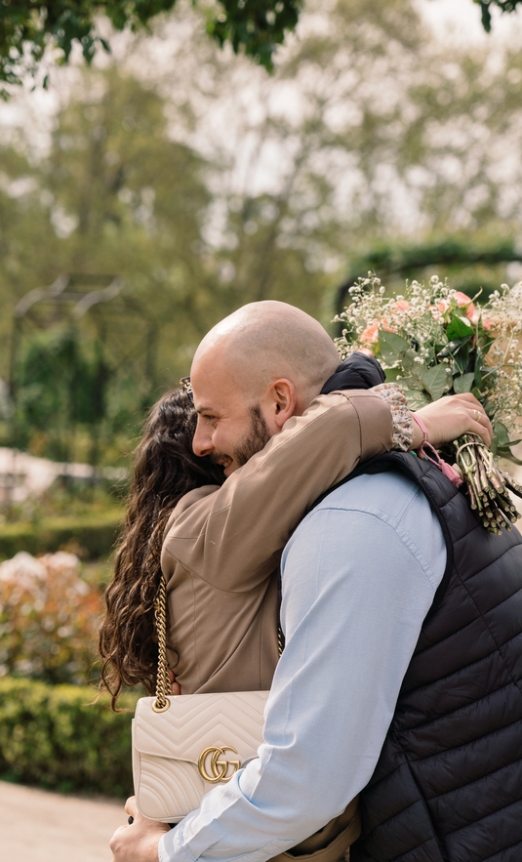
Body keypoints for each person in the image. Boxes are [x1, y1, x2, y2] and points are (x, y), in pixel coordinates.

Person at [107, 302, 517, 862]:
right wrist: (408, 419)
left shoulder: (334, 520)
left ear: (280, 402)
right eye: (197, 420)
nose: (204, 441)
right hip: (246, 822)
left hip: (252, 820)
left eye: (212, 416)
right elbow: (313, 443)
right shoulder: (209, 525)